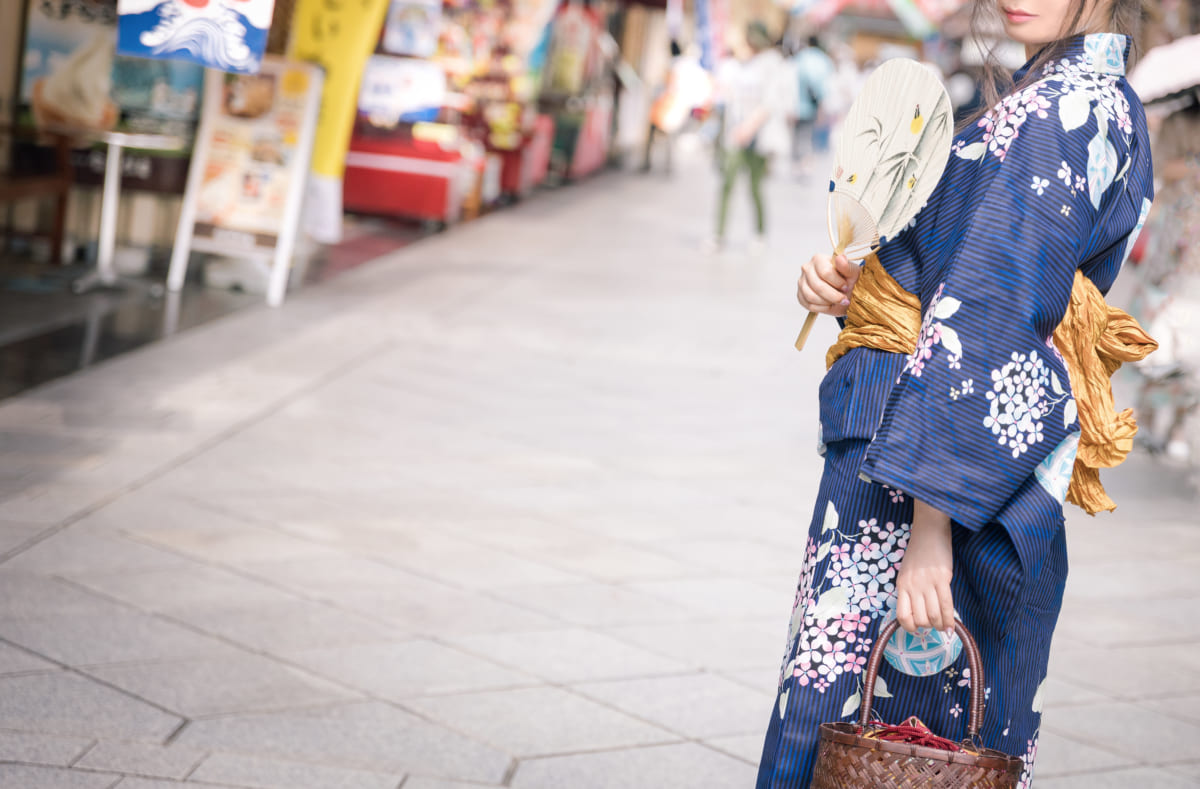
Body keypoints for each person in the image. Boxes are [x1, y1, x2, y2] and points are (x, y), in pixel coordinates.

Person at [756, 1, 1155, 787]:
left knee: (875, 728)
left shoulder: (1067, 107)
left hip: (930, 484)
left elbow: (993, 307)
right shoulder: (1078, 96)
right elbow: (956, 277)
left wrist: (929, 522)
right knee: (909, 737)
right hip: (946, 449)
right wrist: (854, 287)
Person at [1132, 92, 1200, 464]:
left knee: (1193, 344)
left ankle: (1176, 425)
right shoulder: (1177, 122)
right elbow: (1161, 167)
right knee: (1157, 334)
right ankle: (1145, 418)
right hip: (1174, 241)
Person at [708, 22, 792, 254]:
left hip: (757, 137)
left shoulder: (773, 64)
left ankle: (759, 233)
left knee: (755, 187)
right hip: (735, 134)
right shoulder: (742, 64)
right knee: (727, 183)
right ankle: (719, 234)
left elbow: (770, 103)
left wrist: (749, 127)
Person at [641, 40, 711, 174]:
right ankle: (666, 165)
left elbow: (668, 84)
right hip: (677, 106)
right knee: (670, 136)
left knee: (660, 133)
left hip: (669, 105)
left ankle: (651, 163)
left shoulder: (678, 65)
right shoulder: (695, 69)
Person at [789, 36, 834, 176]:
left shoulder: (800, 58)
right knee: (809, 135)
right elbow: (825, 86)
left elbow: (791, 81)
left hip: (798, 105)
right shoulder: (825, 60)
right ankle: (806, 162)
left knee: (798, 135)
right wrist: (822, 106)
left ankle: (798, 163)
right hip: (814, 105)